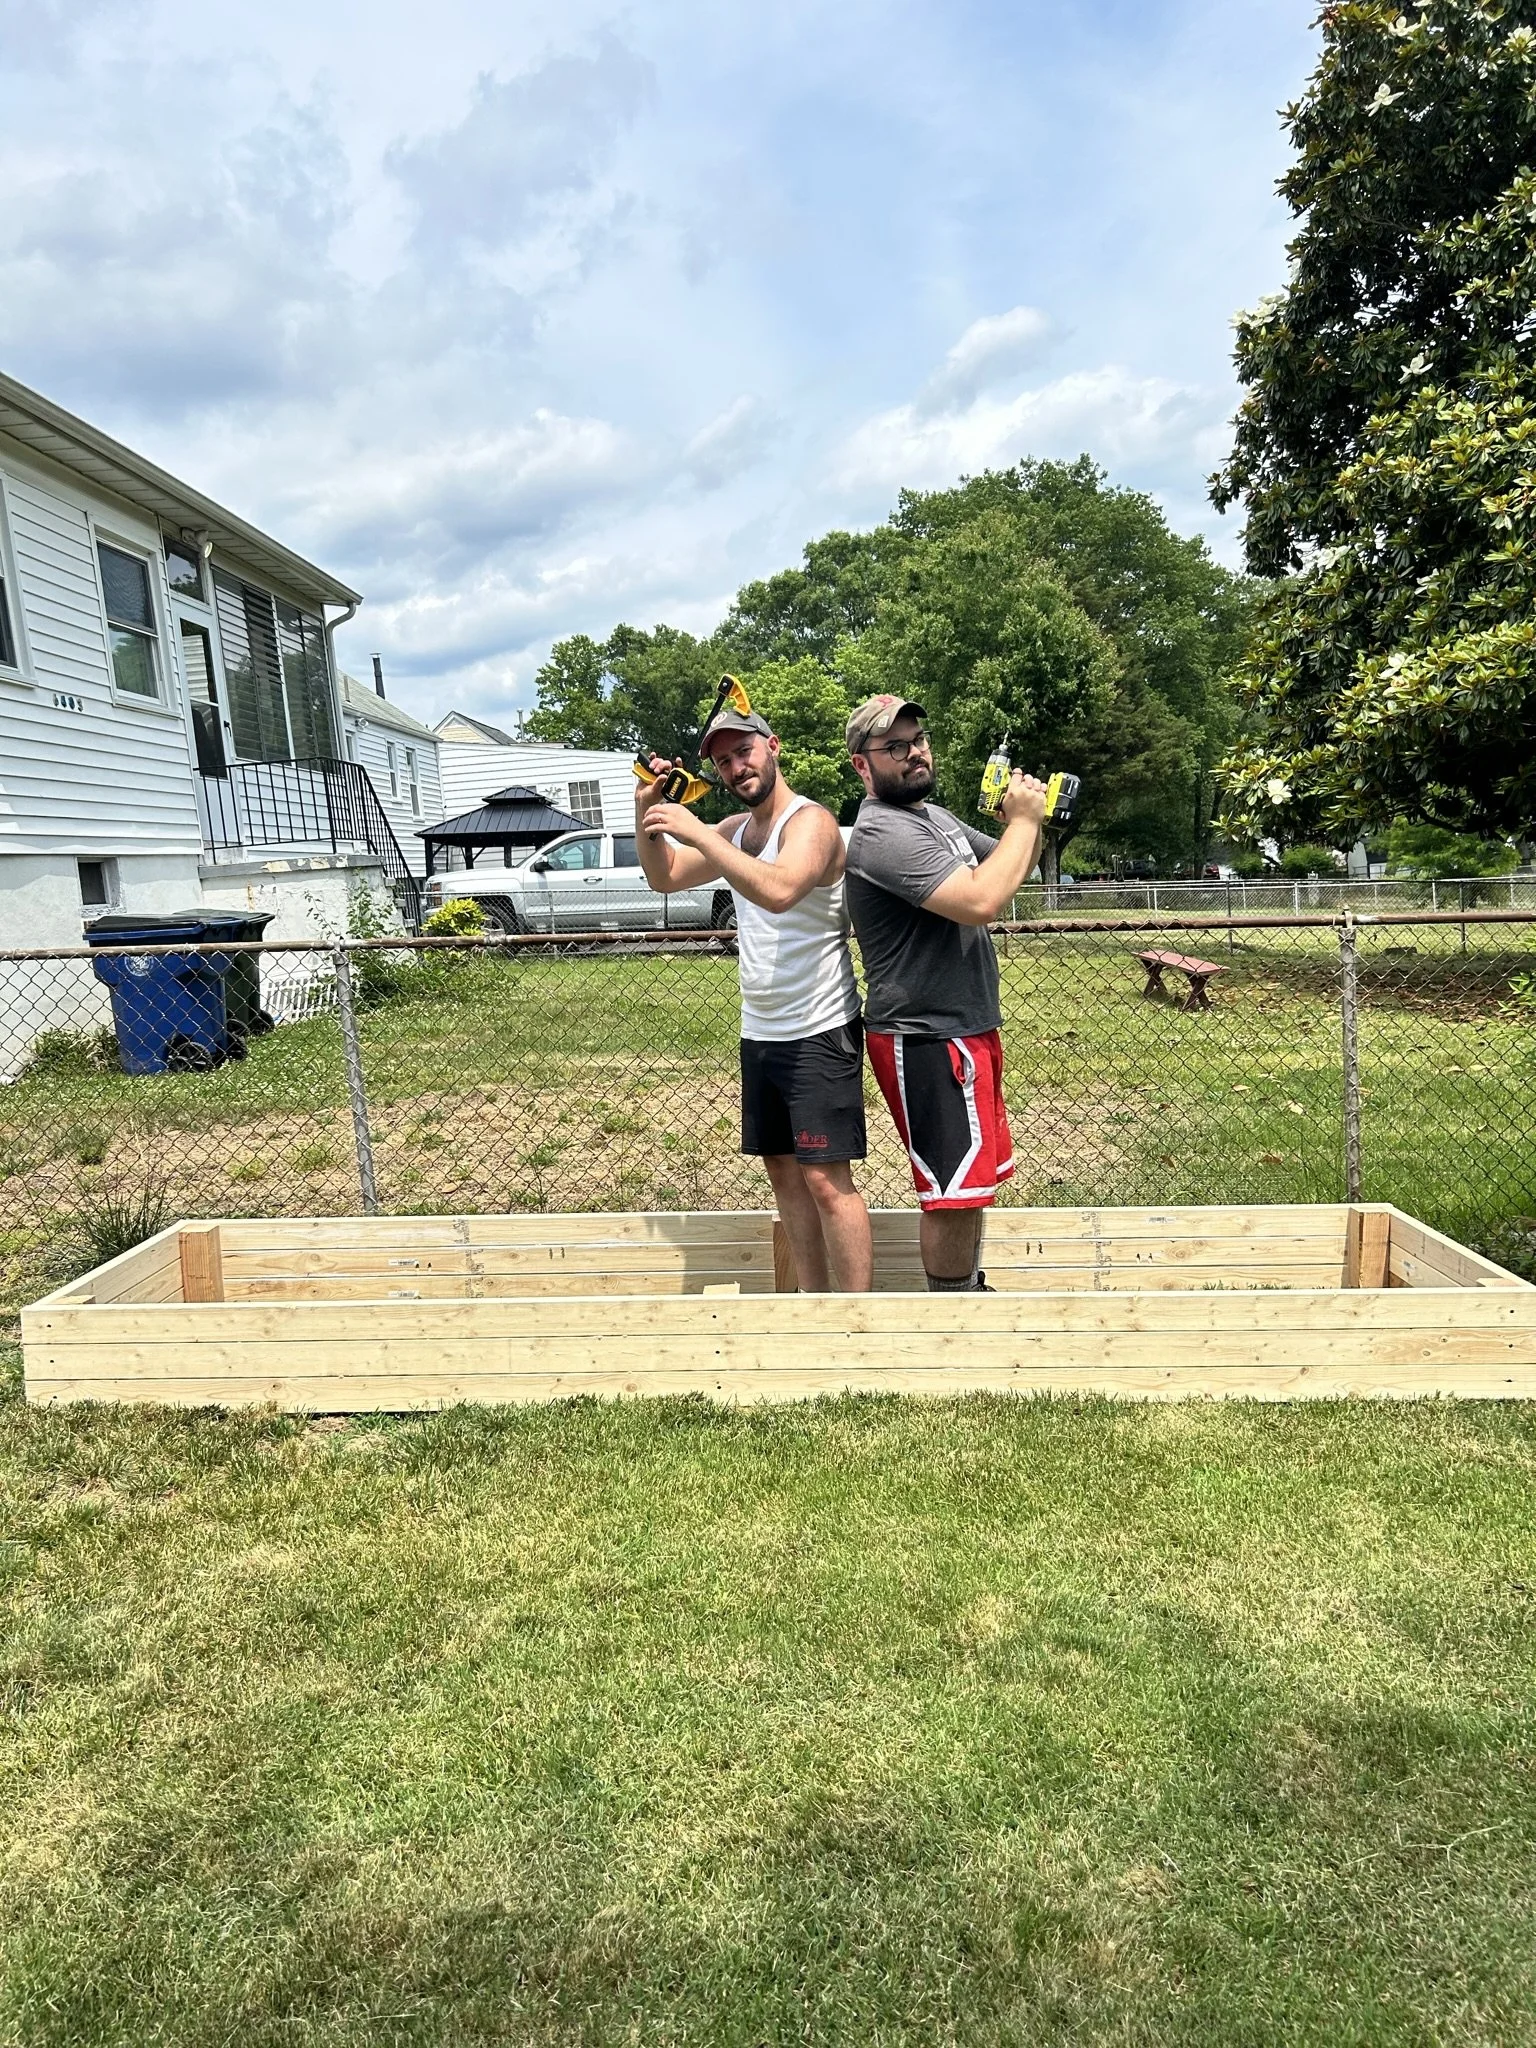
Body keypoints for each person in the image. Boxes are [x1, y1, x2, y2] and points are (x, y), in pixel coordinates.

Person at [635, 706, 874, 1292]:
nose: (736, 767)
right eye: (722, 761)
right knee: (785, 1176)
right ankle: (815, 1308)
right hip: (762, 1030)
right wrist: (646, 812)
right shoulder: (733, 833)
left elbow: (781, 890)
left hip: (821, 1026)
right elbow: (663, 877)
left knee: (826, 1181)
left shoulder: (810, 822)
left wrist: (695, 832)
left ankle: (860, 1321)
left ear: (773, 747)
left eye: (744, 752)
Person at [843, 694, 1047, 1292]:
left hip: (964, 1024)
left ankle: (965, 1289)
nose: (914, 754)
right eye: (894, 748)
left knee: (971, 1178)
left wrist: (1022, 821)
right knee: (951, 1189)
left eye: (919, 740)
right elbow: (982, 899)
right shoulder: (883, 834)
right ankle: (954, 1312)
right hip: (925, 1033)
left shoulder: (935, 819)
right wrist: (1026, 821)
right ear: (863, 765)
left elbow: (1018, 870)